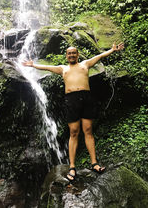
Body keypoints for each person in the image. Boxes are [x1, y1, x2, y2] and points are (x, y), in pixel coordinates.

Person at [22, 42, 124, 182]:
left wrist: (112, 50)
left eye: (73, 53)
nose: (71, 55)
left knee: (88, 130)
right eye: (69, 53)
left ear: (77, 54)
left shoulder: (85, 64)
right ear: (66, 56)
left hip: (86, 99)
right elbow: (47, 67)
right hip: (71, 100)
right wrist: (33, 65)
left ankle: (94, 163)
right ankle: (72, 167)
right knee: (74, 132)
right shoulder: (62, 68)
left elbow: (99, 56)